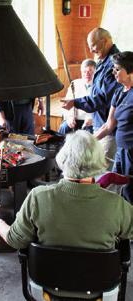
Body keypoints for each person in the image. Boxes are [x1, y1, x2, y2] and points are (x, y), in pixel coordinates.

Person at [0, 130, 133, 251]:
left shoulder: (37, 198)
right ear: (100, 161)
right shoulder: (117, 205)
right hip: (100, 281)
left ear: (63, 157)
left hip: (49, 279)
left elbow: (16, 240)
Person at [61, 28, 121, 161]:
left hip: (109, 130)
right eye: (89, 46)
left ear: (104, 41)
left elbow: (102, 99)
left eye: (93, 45)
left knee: (103, 171)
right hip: (101, 125)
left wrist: (75, 102)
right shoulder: (103, 61)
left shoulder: (113, 64)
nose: (91, 50)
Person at [94, 51, 133, 203]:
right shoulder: (118, 93)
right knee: (114, 188)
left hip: (132, 152)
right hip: (121, 151)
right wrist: (89, 140)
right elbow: (109, 125)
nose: (113, 72)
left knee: (130, 193)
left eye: (117, 69)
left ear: (129, 70)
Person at [58, 59, 96, 135]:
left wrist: (92, 119)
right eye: (84, 72)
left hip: (91, 121)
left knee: (89, 135)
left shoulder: (99, 86)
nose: (87, 74)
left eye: (90, 71)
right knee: (64, 128)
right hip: (75, 119)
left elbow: (100, 105)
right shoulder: (74, 84)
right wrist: (69, 117)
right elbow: (67, 104)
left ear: (96, 71)